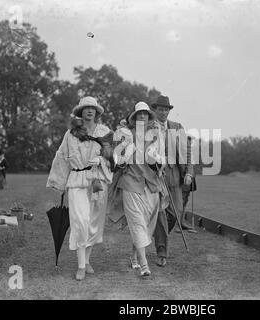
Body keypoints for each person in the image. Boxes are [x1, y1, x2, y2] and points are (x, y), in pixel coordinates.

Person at [46, 96, 114, 281]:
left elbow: (113, 156)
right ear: (80, 112)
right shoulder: (72, 133)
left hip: (97, 179)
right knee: (81, 221)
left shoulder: (105, 132)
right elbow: (61, 156)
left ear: (97, 112)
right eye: (86, 108)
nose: (90, 111)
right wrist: (59, 183)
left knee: (94, 223)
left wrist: (101, 159)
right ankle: (81, 266)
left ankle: (87, 260)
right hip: (77, 179)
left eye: (93, 108)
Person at [113, 101, 167, 277]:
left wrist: (158, 161)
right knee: (137, 223)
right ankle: (144, 266)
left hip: (151, 184)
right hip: (131, 182)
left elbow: (163, 159)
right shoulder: (126, 134)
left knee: (146, 226)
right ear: (134, 117)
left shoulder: (156, 135)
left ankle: (134, 256)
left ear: (149, 116)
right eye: (139, 114)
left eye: (145, 113)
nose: (142, 116)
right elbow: (118, 159)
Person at [151, 95, 195, 267]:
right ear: (155, 110)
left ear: (169, 111)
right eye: (160, 109)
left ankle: (158, 235)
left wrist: (189, 173)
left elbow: (187, 153)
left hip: (175, 174)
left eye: (166, 109)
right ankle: (162, 252)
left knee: (175, 212)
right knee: (161, 213)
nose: (163, 112)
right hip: (155, 176)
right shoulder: (148, 127)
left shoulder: (177, 127)